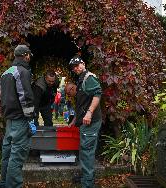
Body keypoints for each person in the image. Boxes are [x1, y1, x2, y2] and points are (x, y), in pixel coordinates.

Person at [0, 44, 35, 188]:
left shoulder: (5, 73)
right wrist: (31, 119)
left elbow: (3, 98)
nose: (29, 57)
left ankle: (3, 184)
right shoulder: (22, 72)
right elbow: (25, 98)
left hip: (9, 121)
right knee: (17, 157)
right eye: (29, 55)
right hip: (20, 121)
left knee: (7, 156)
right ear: (26, 55)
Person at [65, 55, 102, 188]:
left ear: (83, 63)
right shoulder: (81, 80)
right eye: (73, 67)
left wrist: (89, 112)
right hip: (85, 123)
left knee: (87, 152)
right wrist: (75, 120)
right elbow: (81, 104)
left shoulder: (89, 78)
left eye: (77, 65)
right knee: (85, 151)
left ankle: (88, 184)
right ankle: (87, 178)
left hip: (90, 122)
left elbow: (98, 94)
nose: (76, 68)